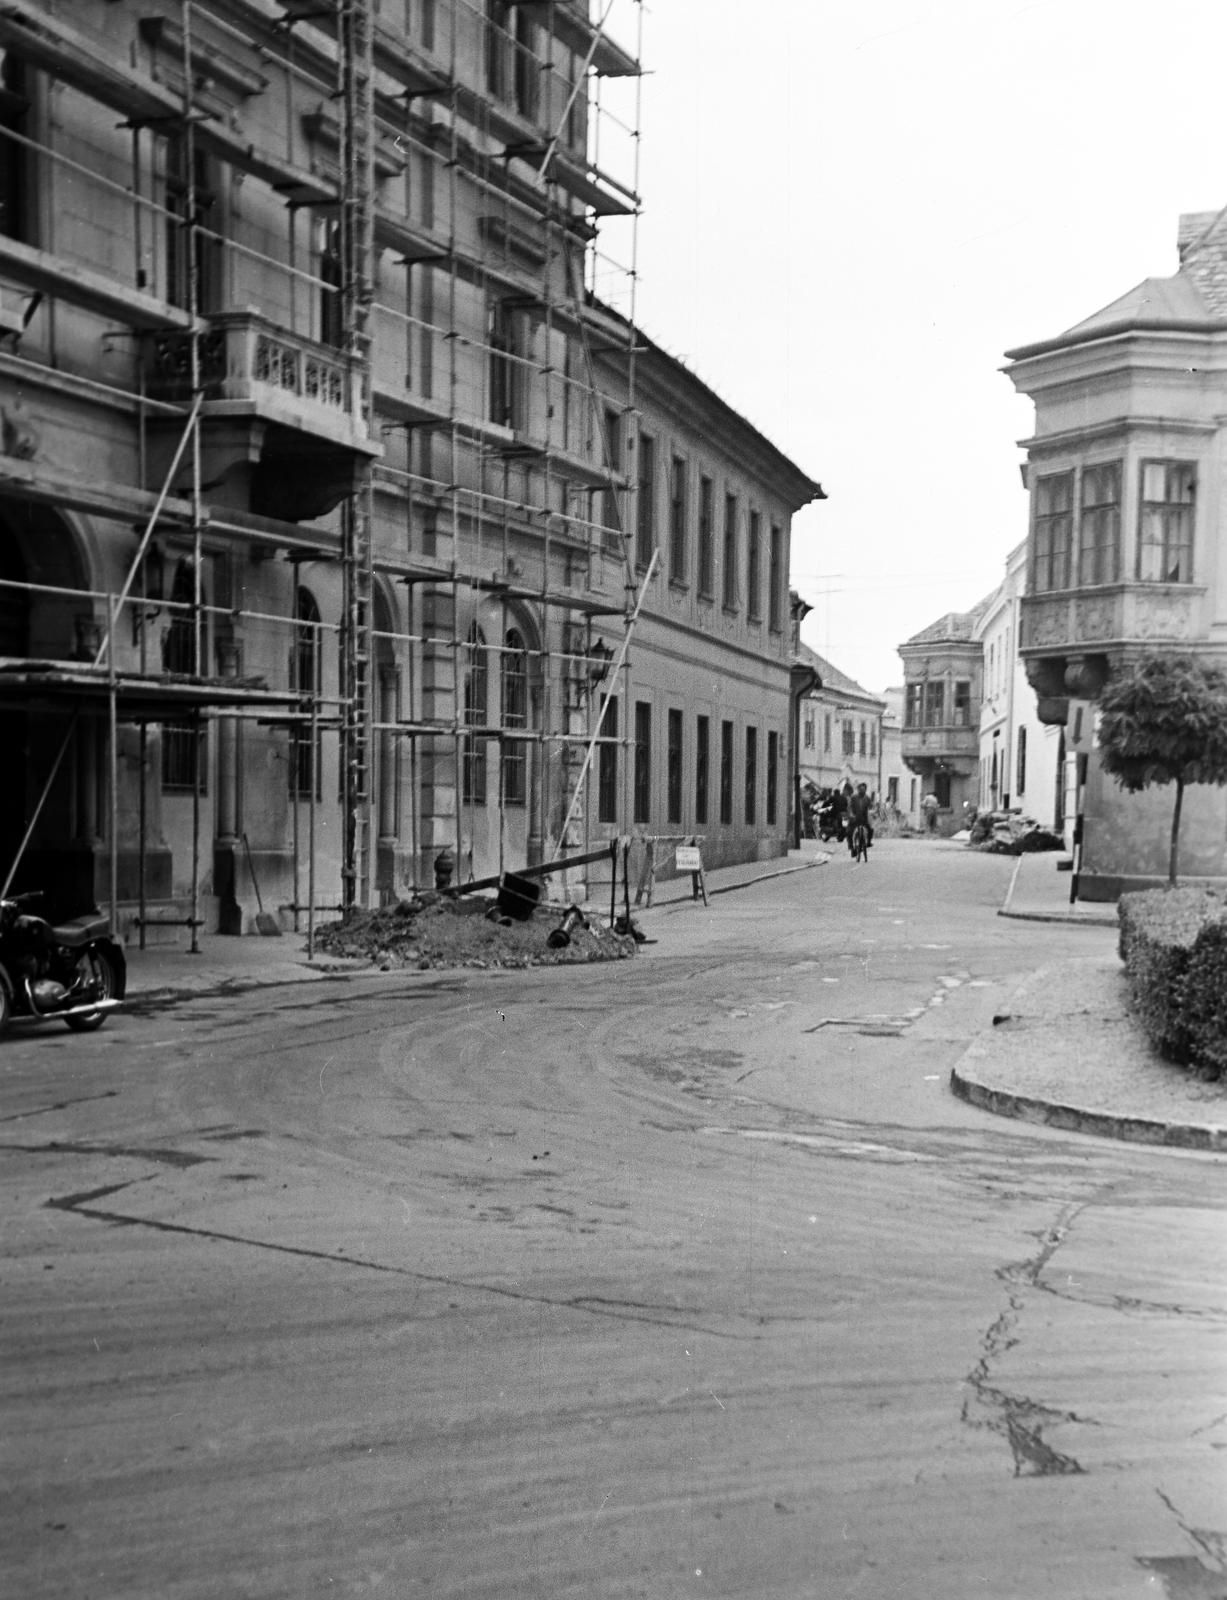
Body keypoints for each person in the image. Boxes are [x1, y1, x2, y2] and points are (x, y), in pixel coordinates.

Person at [847, 782, 874, 853]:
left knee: (870, 829)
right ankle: (851, 846)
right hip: (854, 818)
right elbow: (849, 807)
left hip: (863, 819)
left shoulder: (867, 798)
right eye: (860, 789)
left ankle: (868, 842)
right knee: (849, 831)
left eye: (863, 789)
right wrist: (851, 815)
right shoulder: (853, 797)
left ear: (865, 790)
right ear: (858, 790)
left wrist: (872, 812)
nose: (862, 791)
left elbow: (871, 806)